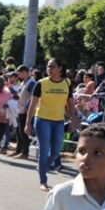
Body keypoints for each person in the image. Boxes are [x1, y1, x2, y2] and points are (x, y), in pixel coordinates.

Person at [25, 58, 77, 192]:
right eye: (48, 67)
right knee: (44, 149)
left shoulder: (67, 83)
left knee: (56, 151)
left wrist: (73, 119)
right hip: (42, 120)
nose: (49, 69)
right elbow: (32, 104)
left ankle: (42, 166)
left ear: (60, 68)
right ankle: (43, 181)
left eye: (52, 67)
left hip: (59, 121)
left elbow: (70, 103)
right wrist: (28, 123)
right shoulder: (41, 83)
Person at [9, 65, 35, 158]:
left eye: (20, 73)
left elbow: (34, 97)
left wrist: (28, 108)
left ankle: (25, 153)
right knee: (19, 131)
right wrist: (11, 91)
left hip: (25, 111)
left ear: (25, 72)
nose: (19, 75)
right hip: (19, 109)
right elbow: (20, 95)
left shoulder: (31, 83)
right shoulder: (24, 82)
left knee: (23, 132)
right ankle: (18, 150)